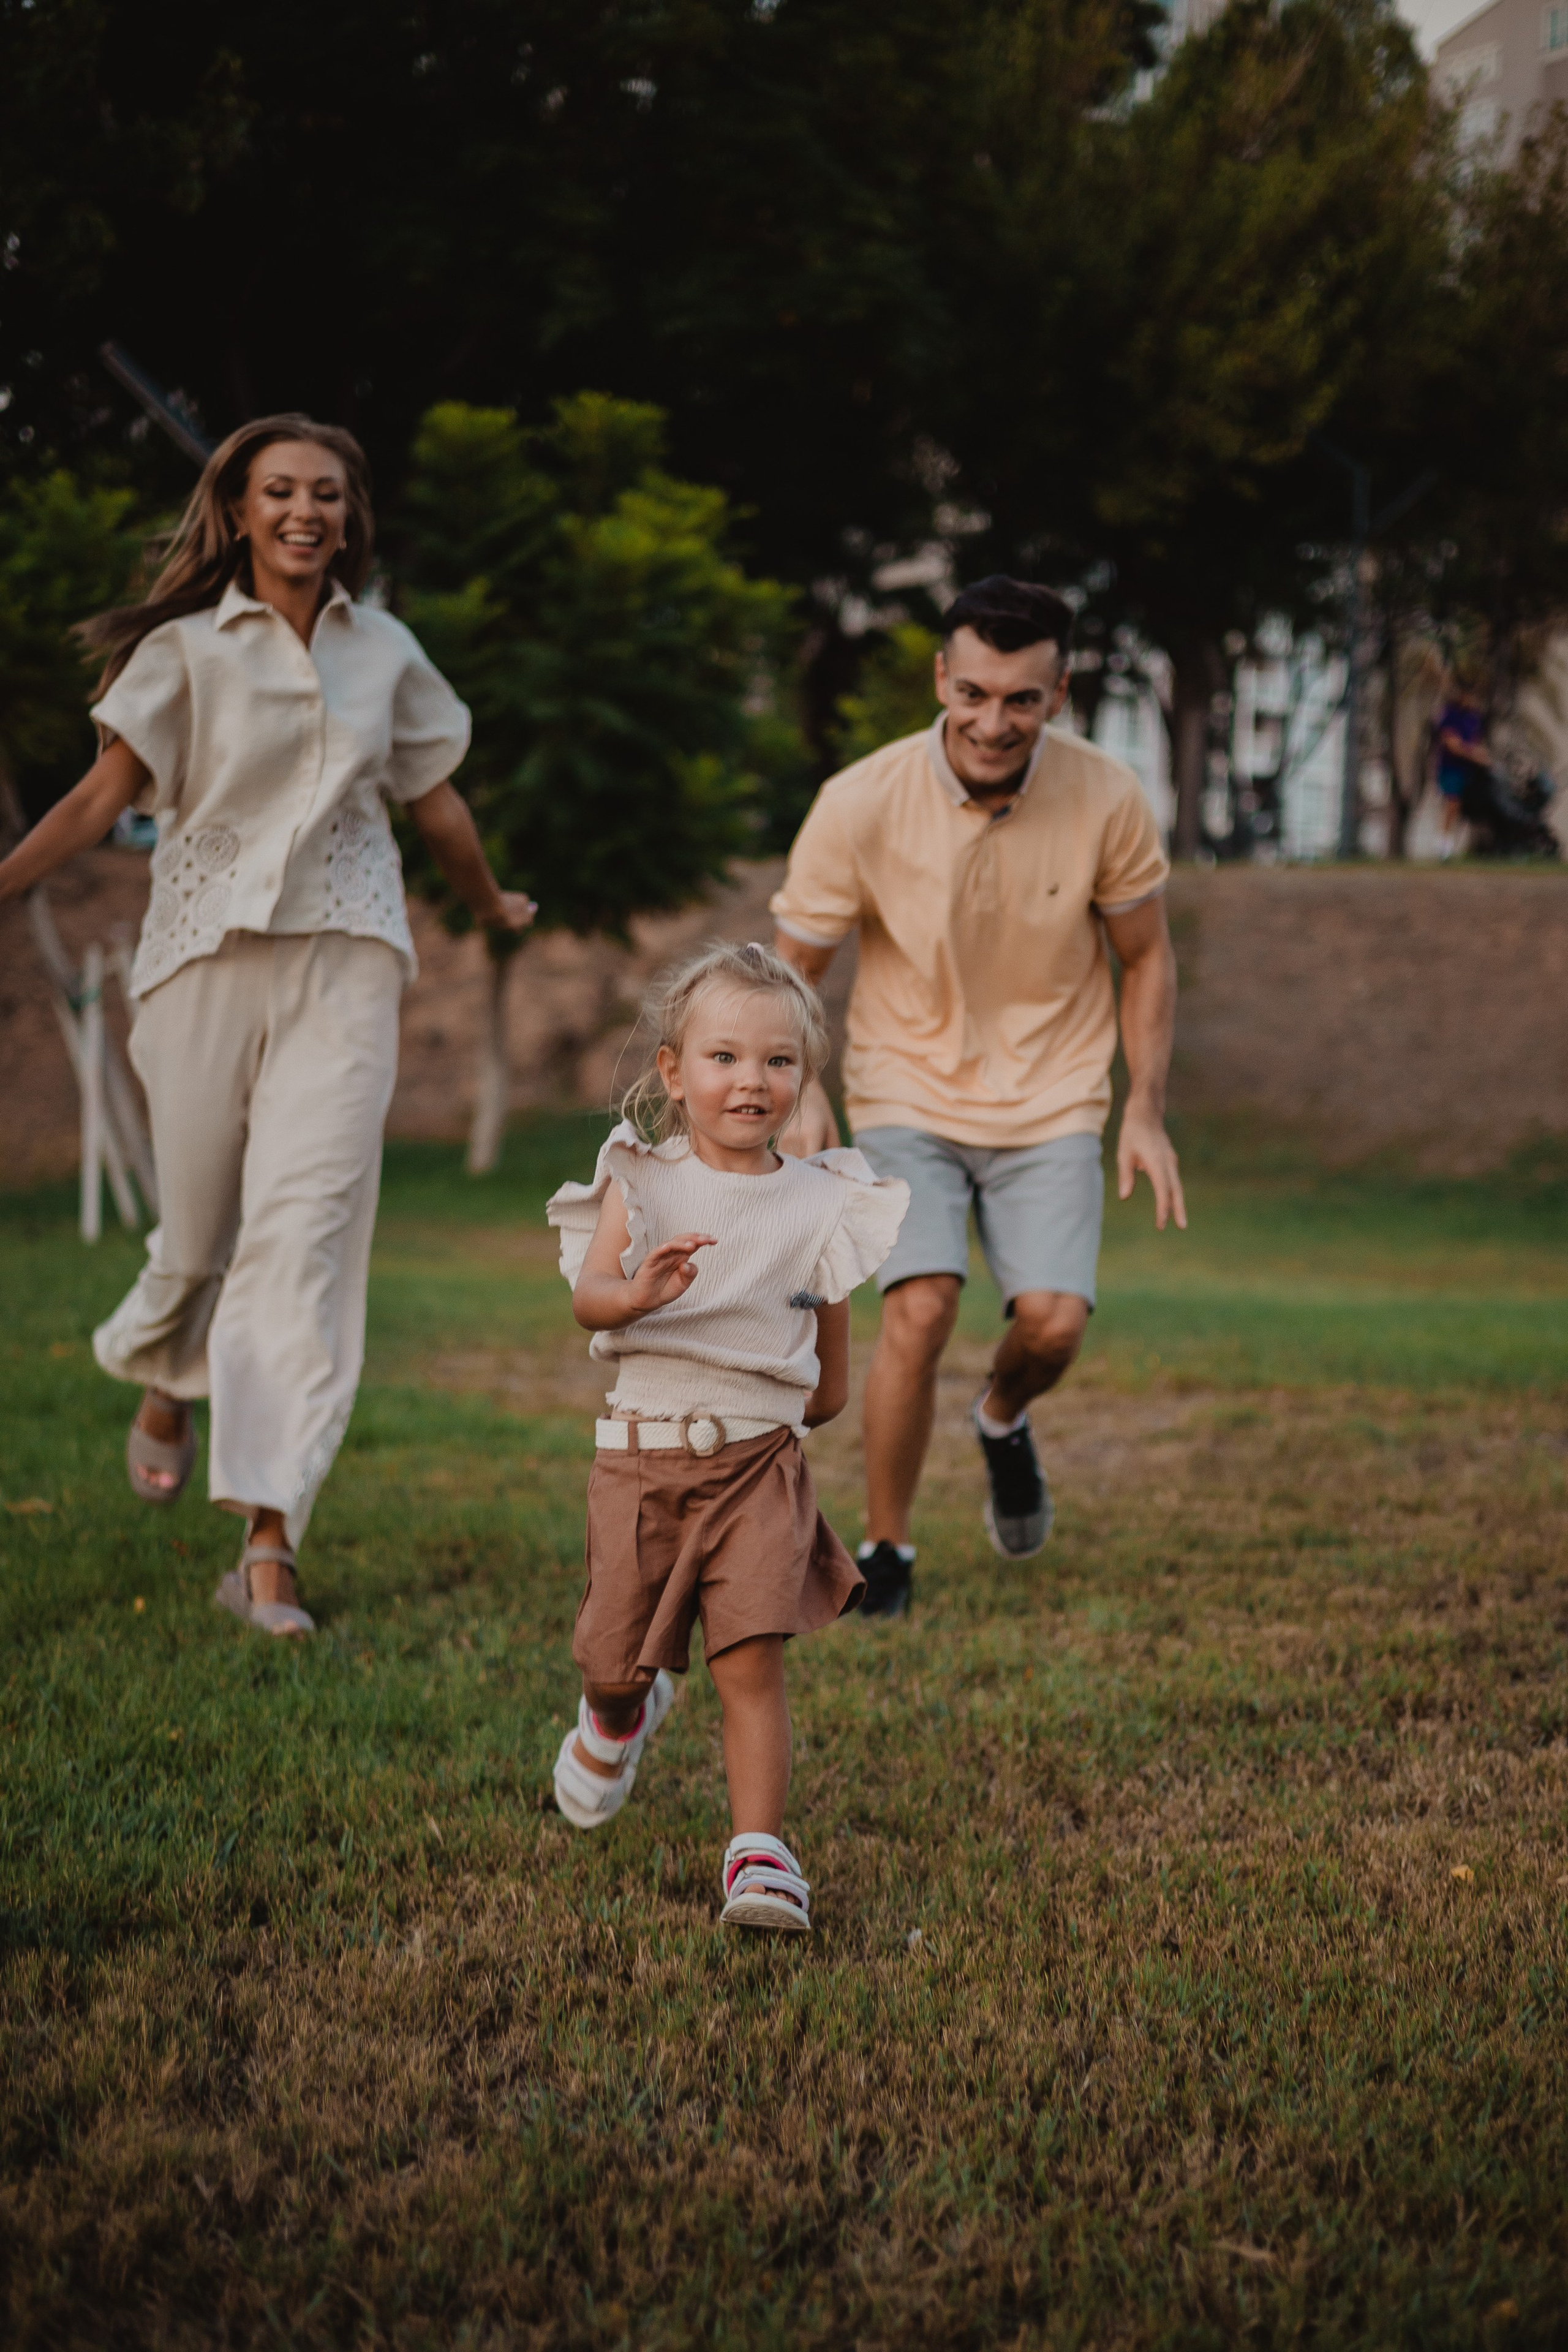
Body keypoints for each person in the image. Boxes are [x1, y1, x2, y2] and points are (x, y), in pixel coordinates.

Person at [0, 412, 533, 1635]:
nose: (307, 512)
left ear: (350, 518)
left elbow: (437, 809)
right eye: (281, 492)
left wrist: (487, 900)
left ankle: (269, 1540)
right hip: (198, 962)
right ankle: (164, 1367)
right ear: (237, 514)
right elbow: (97, 800)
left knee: (302, 1246)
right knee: (197, 1240)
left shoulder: (386, 651)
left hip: (346, 961)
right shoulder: (185, 651)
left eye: (328, 495)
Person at [771, 575, 1185, 1619]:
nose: (994, 722)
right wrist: (804, 1090)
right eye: (977, 694)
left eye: (1024, 700)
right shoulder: (860, 802)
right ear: (942, 679)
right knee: (920, 1305)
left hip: (1054, 1097)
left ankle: (1002, 1418)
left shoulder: (1109, 796)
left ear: (1061, 692)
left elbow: (1146, 957)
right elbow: (793, 971)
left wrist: (1144, 1108)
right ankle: (888, 1551)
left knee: (1051, 1328)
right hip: (906, 1086)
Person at [544, 941, 907, 1932]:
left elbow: (830, 1380)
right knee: (612, 1658)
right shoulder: (644, 1180)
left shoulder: (824, 1203)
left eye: (780, 1062)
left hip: (757, 1466)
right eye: (725, 1058)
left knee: (751, 1659)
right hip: (639, 1456)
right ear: (672, 1070)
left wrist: (773, 1422)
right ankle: (618, 1714)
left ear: (805, 1075)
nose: (753, 1081)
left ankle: (761, 1854)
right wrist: (641, 1290)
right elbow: (589, 1301)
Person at [1433, 678, 1488, 858]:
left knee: (1465, 807)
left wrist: (1482, 756)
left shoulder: (1474, 718)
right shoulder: (1450, 714)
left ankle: (1455, 845)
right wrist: (1473, 754)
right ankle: (1444, 846)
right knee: (1452, 803)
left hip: (1468, 770)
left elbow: (1475, 742)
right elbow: (1451, 744)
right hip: (1451, 768)